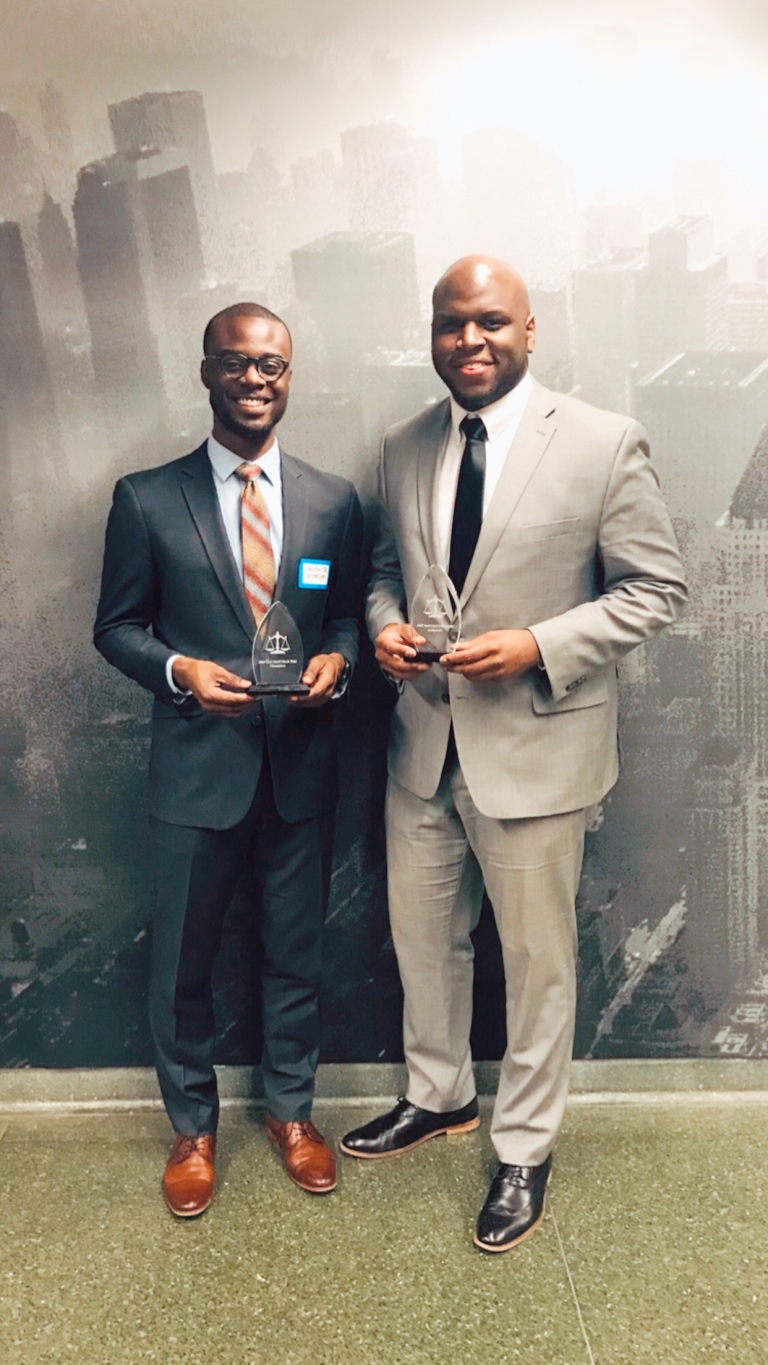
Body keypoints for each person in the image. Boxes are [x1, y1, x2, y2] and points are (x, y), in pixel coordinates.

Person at [341, 256, 687, 1252]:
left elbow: (655, 589)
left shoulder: (603, 442)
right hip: (422, 746)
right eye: (452, 325)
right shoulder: (403, 444)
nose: (470, 341)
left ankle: (524, 1148)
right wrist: (383, 628)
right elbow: (376, 574)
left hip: (536, 752)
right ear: (434, 335)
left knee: (537, 963)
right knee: (422, 939)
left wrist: (539, 646)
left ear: (530, 331)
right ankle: (438, 1096)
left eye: (491, 321)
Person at [94, 302, 363, 1217]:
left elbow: (343, 618)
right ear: (206, 371)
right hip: (197, 766)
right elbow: (116, 628)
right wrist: (179, 671)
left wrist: (342, 663)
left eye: (274, 365)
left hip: (300, 770)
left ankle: (292, 1115)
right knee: (184, 961)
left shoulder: (332, 499)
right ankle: (193, 1130)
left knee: (295, 954)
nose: (257, 379)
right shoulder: (146, 497)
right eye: (238, 363)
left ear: (291, 376)